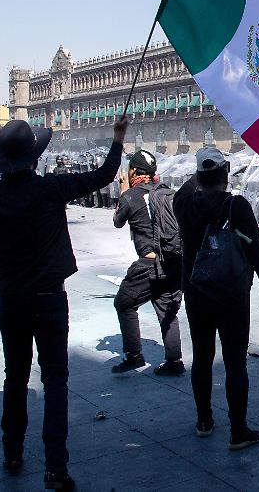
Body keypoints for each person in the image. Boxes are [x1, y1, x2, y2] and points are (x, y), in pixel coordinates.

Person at [0, 116, 127, 491]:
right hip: (51, 299)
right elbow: (103, 176)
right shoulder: (52, 189)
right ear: (35, 158)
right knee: (55, 381)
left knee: (15, 378)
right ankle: (56, 466)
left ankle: (13, 452)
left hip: (13, 301)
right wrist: (118, 138)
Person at [173, 147, 259, 451]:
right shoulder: (237, 206)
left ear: (198, 176)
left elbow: (188, 188)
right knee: (234, 361)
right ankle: (238, 430)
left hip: (196, 292)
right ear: (225, 174)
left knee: (202, 358)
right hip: (231, 294)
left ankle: (204, 420)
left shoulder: (184, 204)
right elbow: (257, 247)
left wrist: (200, 173)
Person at [110, 150, 185, 376]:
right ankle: (175, 361)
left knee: (124, 303)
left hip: (148, 265)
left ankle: (133, 355)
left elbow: (117, 221)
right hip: (173, 261)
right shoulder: (169, 193)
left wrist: (123, 192)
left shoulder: (131, 196)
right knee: (167, 309)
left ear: (133, 171)